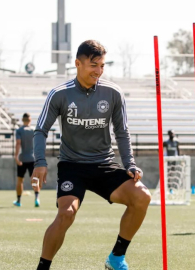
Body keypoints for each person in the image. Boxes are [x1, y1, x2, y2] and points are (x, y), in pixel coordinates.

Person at [32, 40, 150, 270]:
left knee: (142, 197)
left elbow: (122, 133)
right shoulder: (59, 94)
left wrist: (130, 164)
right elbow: (40, 130)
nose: (98, 71)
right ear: (78, 63)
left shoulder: (113, 93)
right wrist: (40, 162)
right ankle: (43, 268)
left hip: (104, 164)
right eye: (93, 65)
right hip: (72, 166)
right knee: (66, 214)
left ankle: (116, 258)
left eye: (102, 66)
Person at [13, 113, 40, 207]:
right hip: (33, 158)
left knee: (20, 179)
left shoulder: (19, 130)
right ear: (30, 120)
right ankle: (37, 199)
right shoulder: (34, 130)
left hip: (23, 158)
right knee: (35, 179)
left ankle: (19, 201)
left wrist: (16, 156)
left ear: (22, 119)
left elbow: (18, 143)